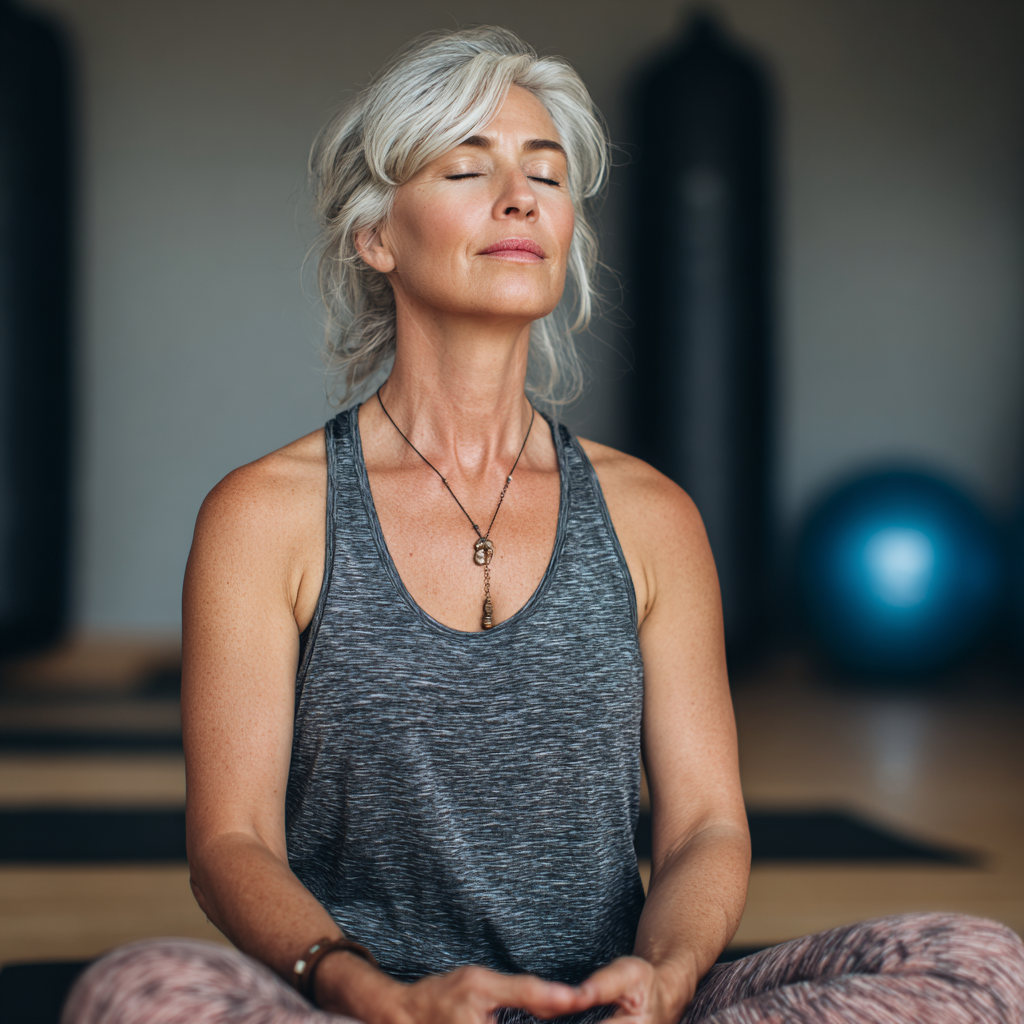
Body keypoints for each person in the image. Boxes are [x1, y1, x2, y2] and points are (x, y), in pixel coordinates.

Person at [63, 26, 1024, 1024]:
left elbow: (702, 825)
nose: (519, 197)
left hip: (604, 1009)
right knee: (137, 990)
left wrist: (667, 974)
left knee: (982, 963)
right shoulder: (266, 515)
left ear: (567, 229)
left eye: (546, 174)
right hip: (366, 1012)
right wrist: (372, 993)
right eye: (466, 168)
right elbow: (231, 844)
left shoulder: (648, 515)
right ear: (376, 235)